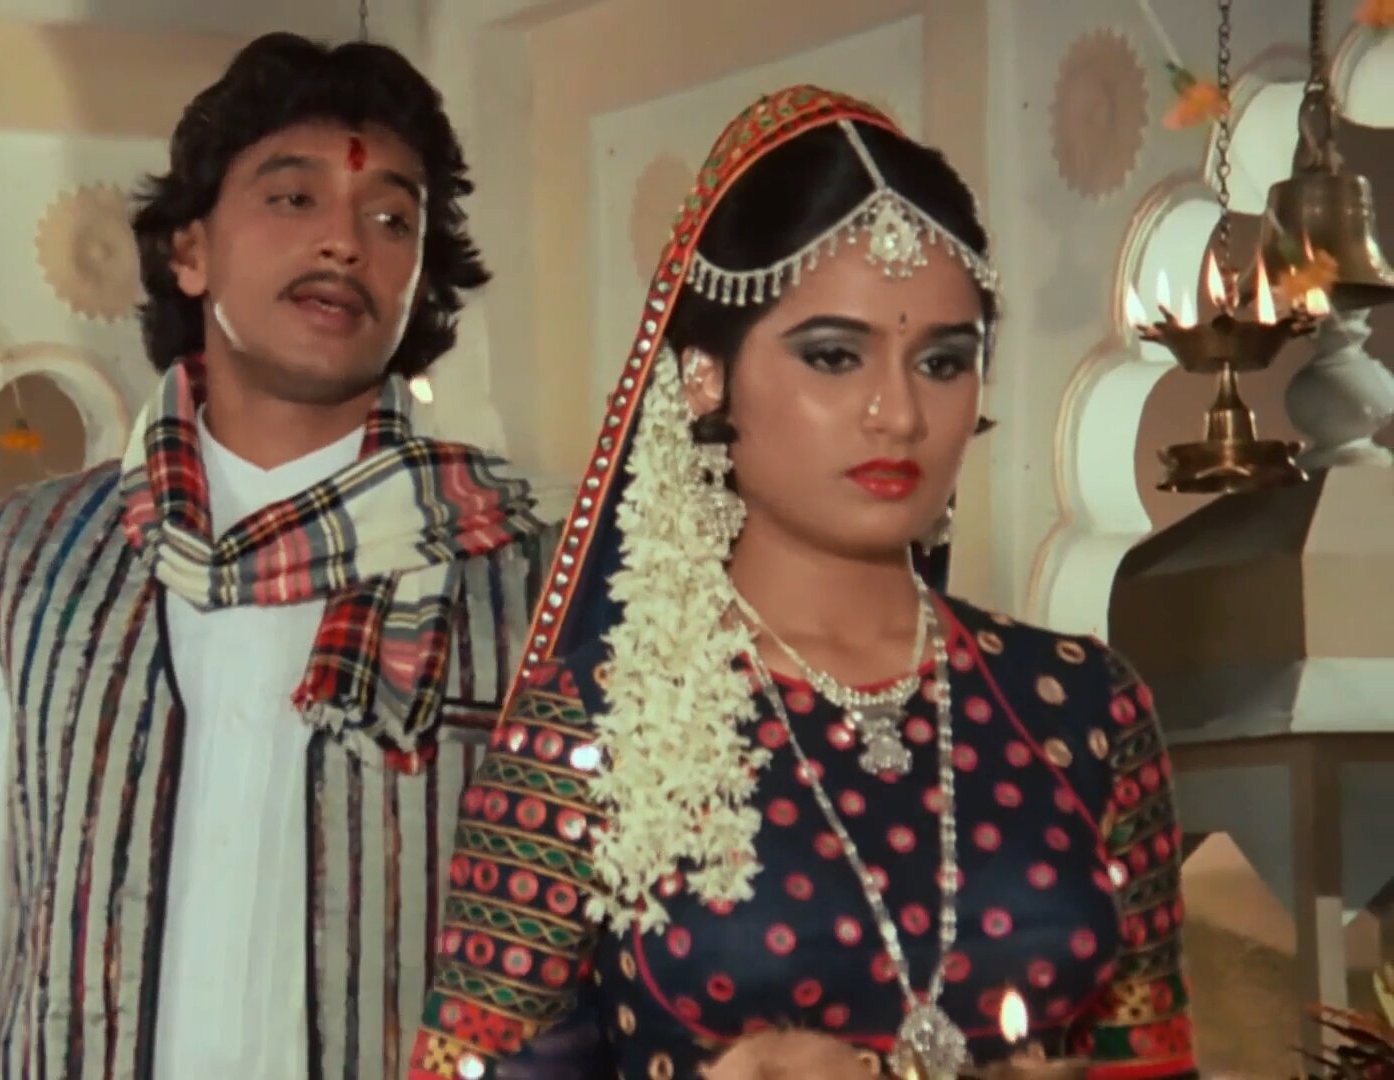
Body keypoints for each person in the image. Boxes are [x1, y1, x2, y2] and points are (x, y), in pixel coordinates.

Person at [408, 86, 1197, 1080]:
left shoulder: (1084, 707)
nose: (897, 413)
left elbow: (1151, 1062)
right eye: (834, 356)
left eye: (942, 362)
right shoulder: (589, 731)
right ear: (704, 375)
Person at [0, 32, 567, 1078]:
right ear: (190, 251)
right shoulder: (37, 560)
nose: (345, 242)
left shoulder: (523, 574)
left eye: (391, 219)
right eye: (293, 198)